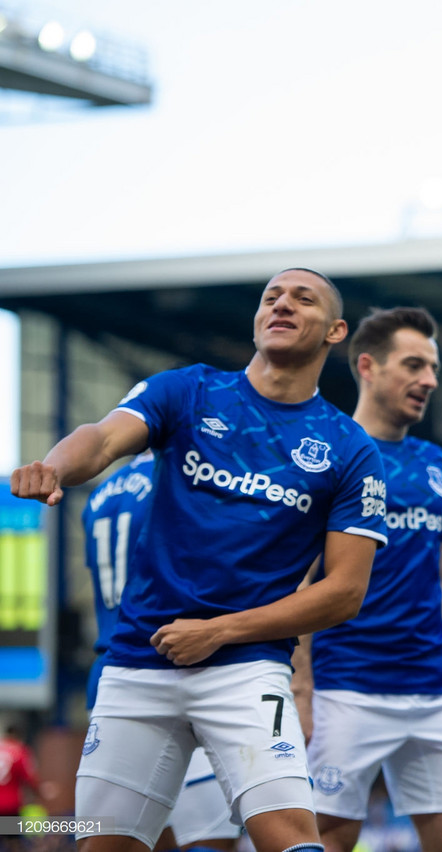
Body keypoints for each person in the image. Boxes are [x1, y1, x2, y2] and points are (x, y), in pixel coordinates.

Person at [10, 267, 388, 852]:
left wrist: (220, 632)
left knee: (287, 839)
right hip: (138, 661)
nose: (281, 304)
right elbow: (104, 437)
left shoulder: (350, 450)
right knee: (106, 843)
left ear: (336, 331)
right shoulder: (187, 391)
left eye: (302, 298)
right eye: (270, 297)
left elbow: (345, 592)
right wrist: (55, 465)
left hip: (246, 667)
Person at [293, 306, 442, 852]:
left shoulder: (435, 461)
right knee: (324, 842)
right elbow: (299, 583)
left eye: (433, 368)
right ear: (367, 365)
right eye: (413, 365)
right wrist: (301, 687)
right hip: (345, 691)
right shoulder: (326, 453)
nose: (429, 380)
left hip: (431, 693)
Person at [82, 451, 240, 852]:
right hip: (170, 664)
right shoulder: (183, 479)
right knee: (209, 838)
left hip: (110, 672)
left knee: (130, 835)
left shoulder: (99, 493)